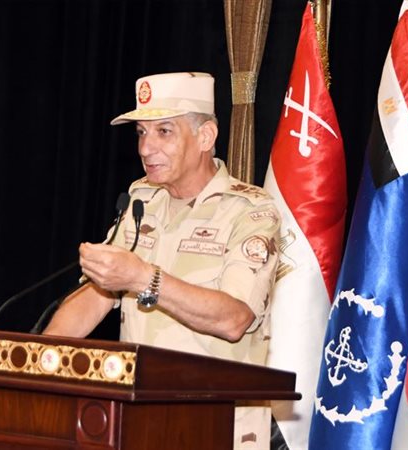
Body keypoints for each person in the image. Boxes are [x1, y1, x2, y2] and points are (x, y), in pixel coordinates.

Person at [41, 73, 280, 447]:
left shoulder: (249, 210)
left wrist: (143, 279)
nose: (146, 148)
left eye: (164, 132)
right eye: (141, 133)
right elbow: (98, 295)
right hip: (140, 419)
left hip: (216, 423)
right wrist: (40, 359)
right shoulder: (142, 199)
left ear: (205, 137)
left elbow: (235, 319)